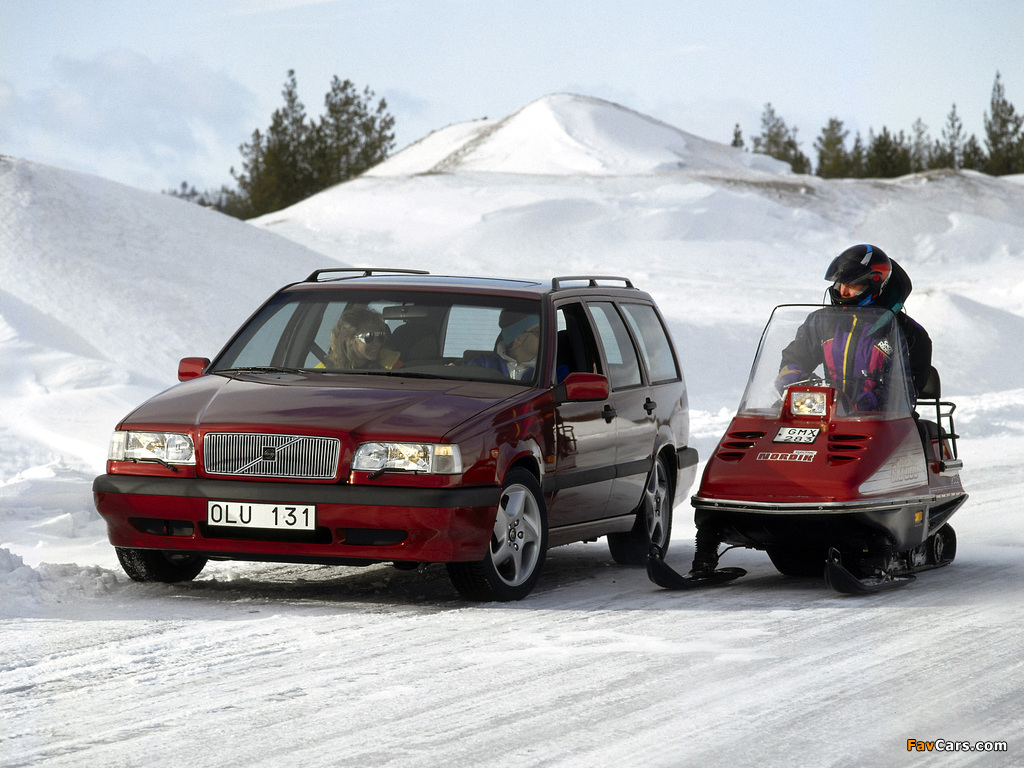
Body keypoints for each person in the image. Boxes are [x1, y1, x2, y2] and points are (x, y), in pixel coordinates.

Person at [776, 244, 932, 409]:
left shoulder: (909, 334)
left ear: (874, 284)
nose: (843, 291)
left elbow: (905, 389)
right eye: (840, 283)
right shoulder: (822, 322)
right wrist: (792, 375)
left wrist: (877, 400)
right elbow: (796, 357)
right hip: (827, 412)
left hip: (883, 419)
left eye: (852, 286)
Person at [467, 310, 540, 381]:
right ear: (518, 338)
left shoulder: (544, 370)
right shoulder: (483, 364)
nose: (544, 336)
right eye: (538, 332)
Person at [325, 305, 401, 370]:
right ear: (349, 339)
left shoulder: (391, 364)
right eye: (369, 337)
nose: (377, 343)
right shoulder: (324, 371)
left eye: (380, 336)